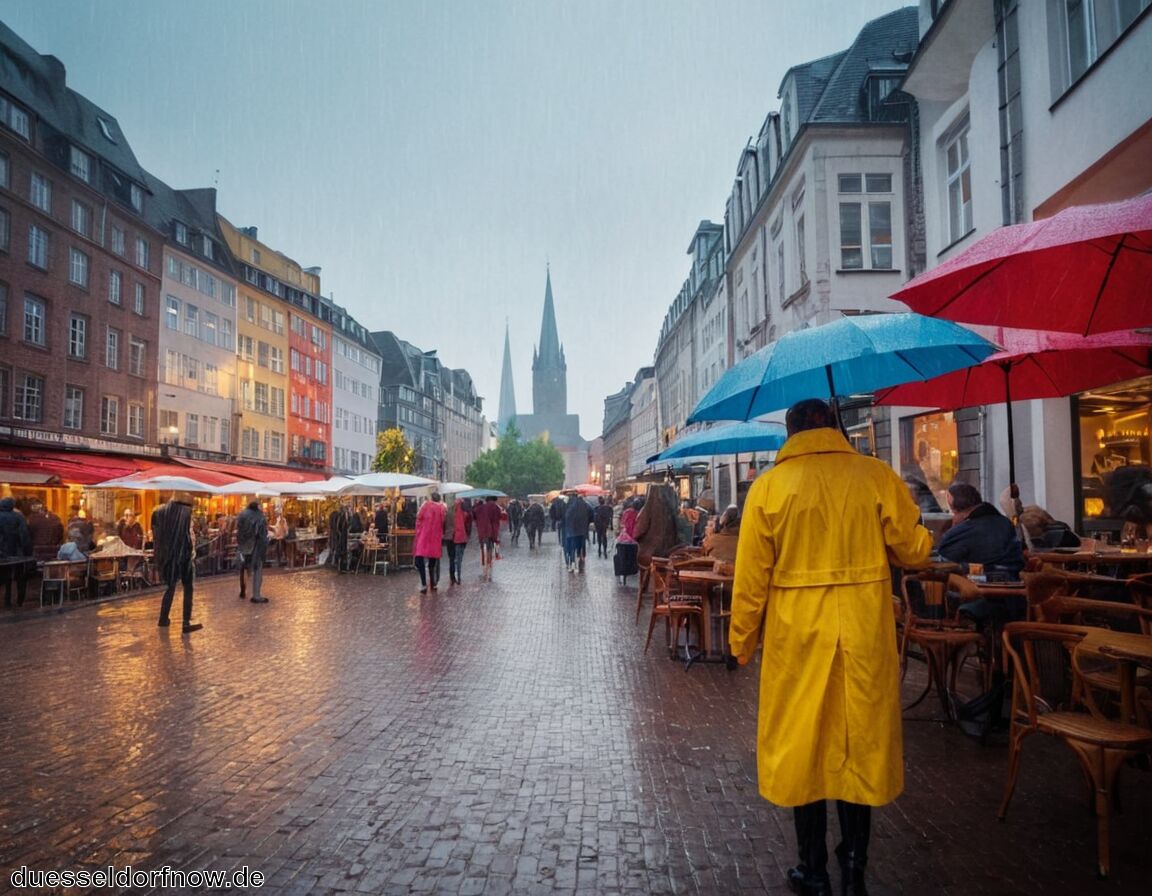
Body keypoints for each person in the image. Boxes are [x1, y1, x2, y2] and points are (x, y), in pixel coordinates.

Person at [729, 398, 932, 896]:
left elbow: (750, 577)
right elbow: (914, 551)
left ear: (793, 432)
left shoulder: (769, 488)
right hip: (863, 627)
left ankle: (813, 868)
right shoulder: (875, 475)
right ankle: (855, 866)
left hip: (797, 634)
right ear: (835, 426)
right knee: (859, 742)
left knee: (805, 748)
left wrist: (742, 639)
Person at [938, 482, 1027, 623]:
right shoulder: (1005, 523)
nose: (952, 518)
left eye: (953, 512)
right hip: (1016, 597)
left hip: (982, 596)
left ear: (959, 511)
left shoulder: (964, 530)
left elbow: (944, 558)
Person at [152, 491, 201, 633]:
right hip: (183, 555)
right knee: (188, 587)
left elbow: (156, 537)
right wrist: (191, 552)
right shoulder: (186, 512)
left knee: (170, 587)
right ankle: (186, 622)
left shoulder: (158, 512)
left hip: (167, 556)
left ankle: (163, 618)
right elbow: (187, 535)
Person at [634, 484, 682, 565]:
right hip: (670, 553)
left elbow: (638, 532)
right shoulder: (674, 511)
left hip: (650, 554)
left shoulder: (647, 510)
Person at [0, 497, 33, 608]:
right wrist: (28, 551)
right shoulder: (19, 517)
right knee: (20, 576)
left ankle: (7, 600)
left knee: (5, 576)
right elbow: (24, 535)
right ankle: (19, 600)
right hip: (17, 551)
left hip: (2, 552)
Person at [235, 500, 270, 604]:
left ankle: (242, 590)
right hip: (256, 546)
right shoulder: (260, 516)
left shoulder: (242, 514)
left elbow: (238, 530)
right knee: (257, 570)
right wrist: (265, 545)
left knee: (243, 569)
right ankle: (256, 595)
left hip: (243, 546)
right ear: (258, 507)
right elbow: (262, 533)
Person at [413, 493, 446, 593]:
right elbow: (443, 522)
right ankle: (433, 583)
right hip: (435, 538)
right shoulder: (442, 509)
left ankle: (424, 584)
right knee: (432, 562)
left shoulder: (426, 505)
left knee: (419, 560)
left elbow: (418, 516)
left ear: (431, 498)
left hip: (424, 536)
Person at [473, 495, 503, 578]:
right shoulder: (496, 508)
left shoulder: (481, 507)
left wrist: (478, 504)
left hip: (483, 531)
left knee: (483, 549)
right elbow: (500, 518)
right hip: (493, 532)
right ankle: (489, 565)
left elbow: (474, 514)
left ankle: (484, 568)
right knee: (490, 549)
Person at [563, 493, 593, 573]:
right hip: (582, 530)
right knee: (581, 546)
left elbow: (566, 516)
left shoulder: (569, 505)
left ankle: (572, 563)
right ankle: (581, 558)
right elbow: (591, 514)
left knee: (572, 547)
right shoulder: (585, 505)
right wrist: (587, 522)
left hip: (572, 530)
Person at [446, 497, 473, 584]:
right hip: (460, 537)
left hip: (449, 537)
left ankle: (452, 576)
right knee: (459, 558)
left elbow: (444, 522)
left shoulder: (449, 510)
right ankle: (458, 576)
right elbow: (468, 526)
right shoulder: (465, 512)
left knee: (451, 558)